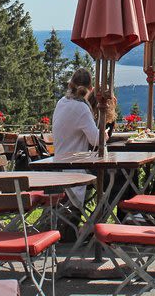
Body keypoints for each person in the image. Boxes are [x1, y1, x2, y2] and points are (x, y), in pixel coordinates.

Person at [51, 68, 103, 239]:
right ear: (91, 88)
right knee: (113, 179)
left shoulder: (61, 102)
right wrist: (105, 132)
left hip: (59, 163)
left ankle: (89, 226)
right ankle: (93, 226)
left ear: (70, 84)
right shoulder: (81, 107)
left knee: (109, 179)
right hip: (73, 167)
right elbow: (96, 140)